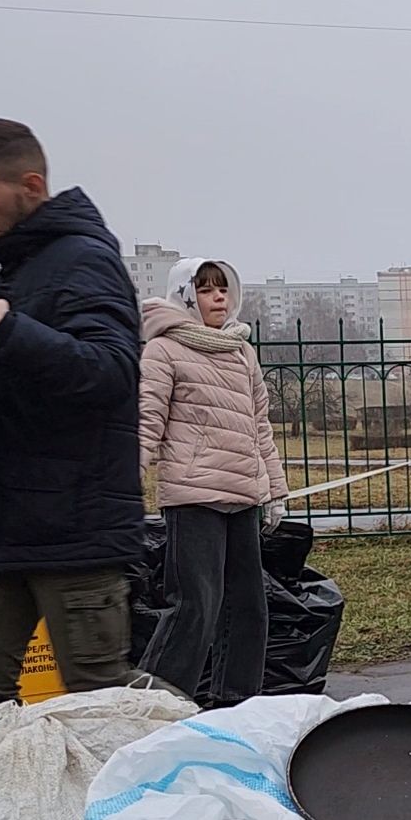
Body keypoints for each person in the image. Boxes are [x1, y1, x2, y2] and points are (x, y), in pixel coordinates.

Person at [0, 119, 146, 703]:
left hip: (74, 530)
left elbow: (111, 371)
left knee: (100, 701)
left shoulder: (84, 260)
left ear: (31, 186)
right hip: (2, 525)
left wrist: (0, 327)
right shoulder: (23, 267)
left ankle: (203, 764)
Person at [136, 258, 287, 704]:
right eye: (205, 289)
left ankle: (235, 705)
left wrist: (275, 492)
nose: (218, 297)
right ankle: (153, 704)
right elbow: (148, 420)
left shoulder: (241, 350)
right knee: (195, 608)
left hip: (243, 495)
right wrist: (127, 480)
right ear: (185, 296)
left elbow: (260, 426)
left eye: (223, 288)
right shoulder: (164, 349)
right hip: (193, 495)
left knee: (250, 610)